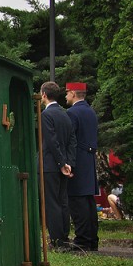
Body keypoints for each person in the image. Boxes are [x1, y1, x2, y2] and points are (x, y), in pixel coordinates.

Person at [39, 81, 76, 250]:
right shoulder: (65, 114)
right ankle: (64, 236)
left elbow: (52, 142)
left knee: (52, 203)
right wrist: (68, 163)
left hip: (50, 165)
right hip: (64, 165)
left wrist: (61, 163)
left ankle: (56, 239)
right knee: (63, 202)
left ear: (44, 95)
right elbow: (71, 141)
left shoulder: (46, 115)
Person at [66, 82, 99, 251]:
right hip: (88, 160)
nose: (65, 96)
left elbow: (70, 139)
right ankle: (92, 239)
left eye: (67, 93)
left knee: (77, 202)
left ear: (73, 93)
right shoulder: (90, 111)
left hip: (77, 161)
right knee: (88, 202)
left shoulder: (72, 113)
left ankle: (82, 241)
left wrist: (68, 163)